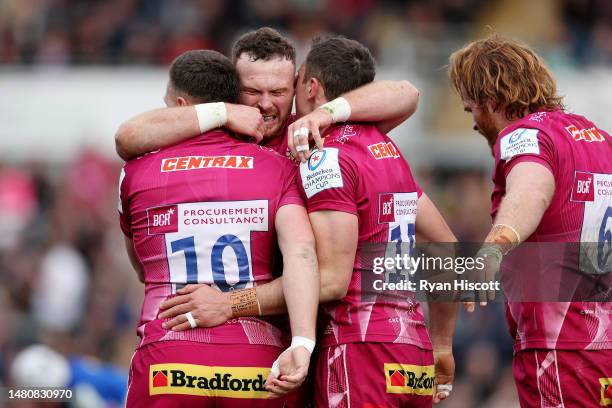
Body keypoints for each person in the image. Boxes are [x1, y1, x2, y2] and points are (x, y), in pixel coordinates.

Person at [118, 49, 318, 407]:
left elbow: (140, 266)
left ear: (180, 107)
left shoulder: (135, 171)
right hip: (258, 364)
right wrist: (302, 343)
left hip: (168, 356)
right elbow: (303, 254)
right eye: (256, 92)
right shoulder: (287, 163)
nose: (266, 103)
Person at [449, 35, 612, 407]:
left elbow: (530, 191)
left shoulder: (525, 136)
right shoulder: (600, 139)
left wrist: (492, 250)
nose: (473, 121)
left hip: (561, 350)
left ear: (493, 101)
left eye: (471, 108)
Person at [114, 27, 420, 162]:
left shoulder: (314, 132)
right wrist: (224, 112)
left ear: (298, 83)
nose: (265, 103)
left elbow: (407, 94)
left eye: (278, 91)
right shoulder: (213, 131)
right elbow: (126, 138)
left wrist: (323, 113)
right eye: (251, 91)